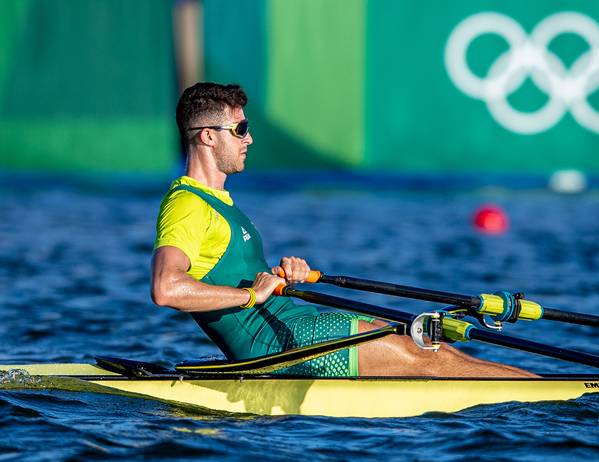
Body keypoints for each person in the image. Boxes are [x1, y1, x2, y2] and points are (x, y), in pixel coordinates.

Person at [152, 82, 531, 377]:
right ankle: (552, 398)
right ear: (207, 135)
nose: (249, 138)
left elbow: (234, 276)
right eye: (240, 128)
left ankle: (542, 389)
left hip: (296, 325)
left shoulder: (220, 203)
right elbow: (166, 288)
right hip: (279, 348)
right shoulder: (188, 204)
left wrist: (281, 277)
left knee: (429, 347)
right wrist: (251, 296)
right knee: (425, 359)